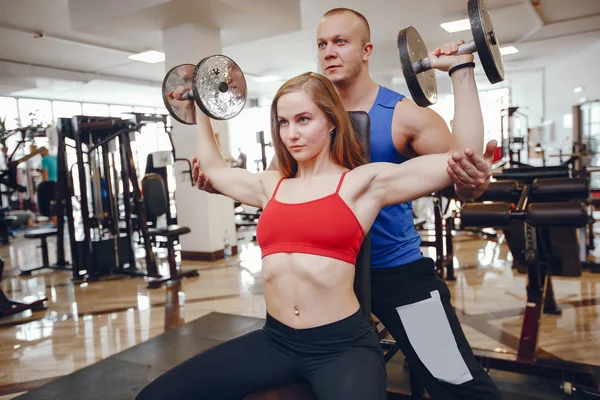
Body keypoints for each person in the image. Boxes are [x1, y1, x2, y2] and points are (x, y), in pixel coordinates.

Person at [192, 8, 502, 400]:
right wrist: (221, 182)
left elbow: (463, 170)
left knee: (454, 378)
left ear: (367, 49)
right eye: (322, 43)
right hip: (321, 282)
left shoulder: (404, 114)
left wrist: (461, 73)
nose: (329, 52)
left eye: (341, 42)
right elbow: (278, 189)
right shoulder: (305, 118)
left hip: (394, 272)